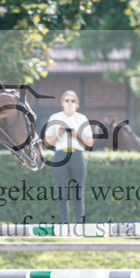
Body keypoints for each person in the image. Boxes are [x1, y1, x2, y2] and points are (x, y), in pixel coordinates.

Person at [44, 90, 93, 223]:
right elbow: (47, 142)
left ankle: (79, 225)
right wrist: (58, 134)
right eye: (67, 100)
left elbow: (90, 142)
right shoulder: (55, 118)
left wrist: (76, 134)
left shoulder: (81, 118)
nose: (70, 103)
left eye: (72, 101)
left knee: (78, 193)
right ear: (62, 103)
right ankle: (64, 224)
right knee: (62, 193)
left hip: (77, 155)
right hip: (60, 155)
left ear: (77, 104)